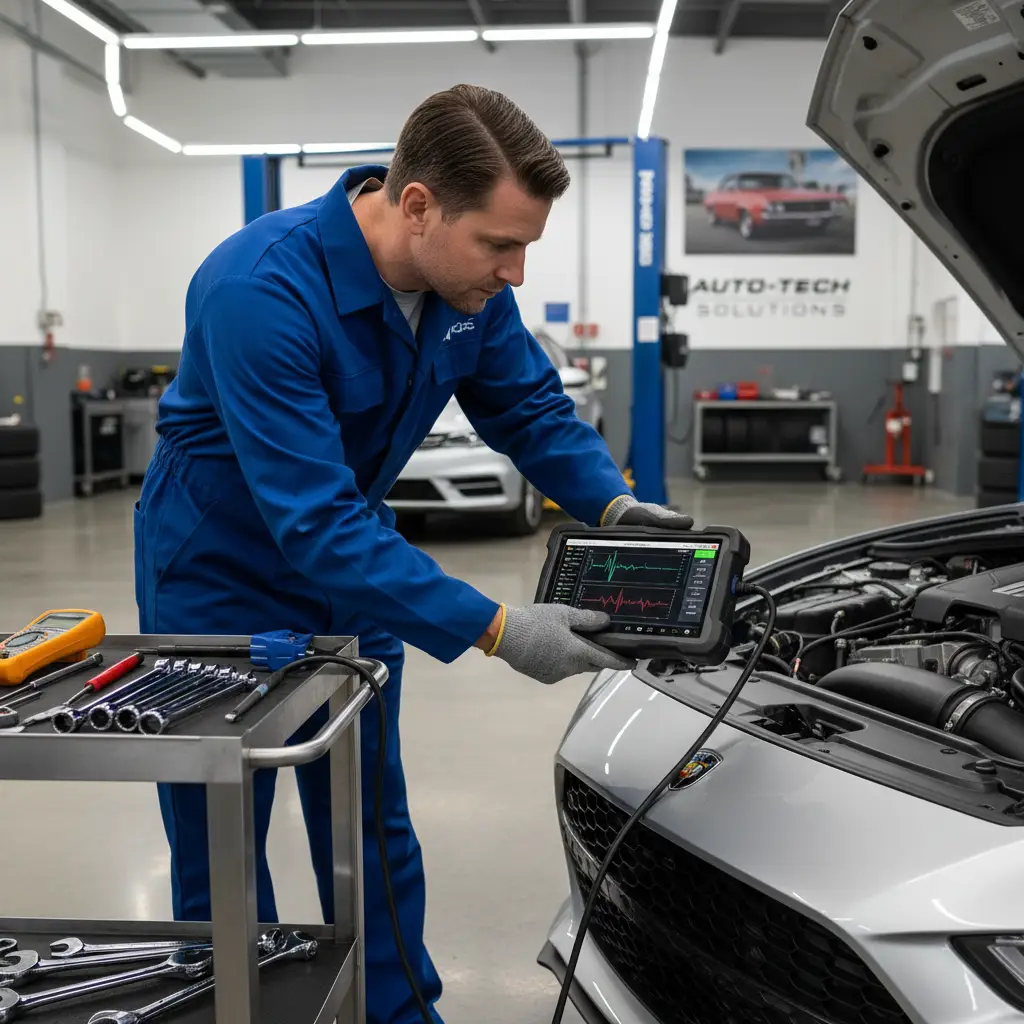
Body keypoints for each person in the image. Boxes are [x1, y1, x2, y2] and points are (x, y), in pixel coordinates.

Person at [134, 83, 691, 1023]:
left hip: (354, 564)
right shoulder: (259, 288)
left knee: (367, 814)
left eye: (526, 246)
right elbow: (308, 522)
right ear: (419, 204)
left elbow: (527, 407)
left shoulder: (461, 286)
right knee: (221, 830)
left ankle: (399, 1013)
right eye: (500, 244)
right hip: (218, 576)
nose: (513, 272)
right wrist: (499, 629)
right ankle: (234, 1003)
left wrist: (615, 503)